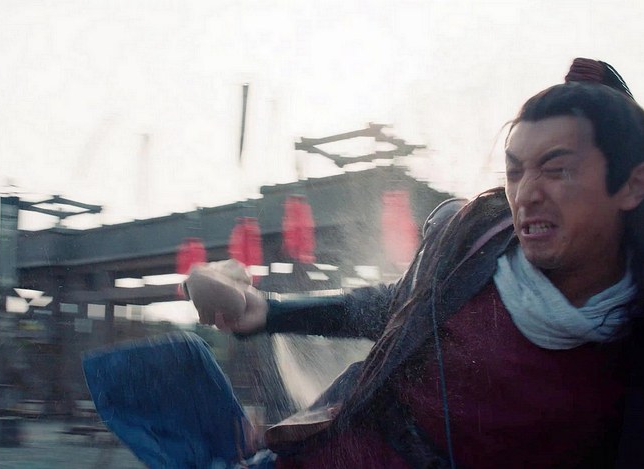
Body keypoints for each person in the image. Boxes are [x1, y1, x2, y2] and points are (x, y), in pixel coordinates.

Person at [183, 57, 644, 468]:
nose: (526, 194)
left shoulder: (626, 336)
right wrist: (267, 310)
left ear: (631, 186)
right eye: (515, 171)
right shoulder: (476, 243)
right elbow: (396, 307)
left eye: (557, 169)